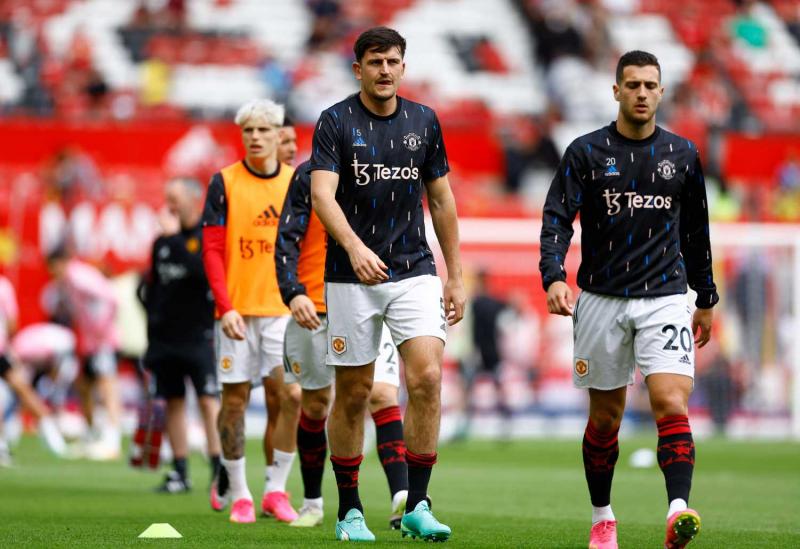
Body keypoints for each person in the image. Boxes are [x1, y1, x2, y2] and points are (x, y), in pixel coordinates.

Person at [539, 50, 718, 549]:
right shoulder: (586, 153)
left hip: (664, 296)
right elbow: (556, 219)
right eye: (633, 85)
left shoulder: (683, 155)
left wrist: (706, 296)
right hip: (600, 298)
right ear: (616, 91)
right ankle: (603, 517)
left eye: (650, 86)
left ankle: (678, 509)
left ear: (661, 92)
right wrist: (553, 276)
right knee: (605, 418)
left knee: (669, 400)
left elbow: (696, 233)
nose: (641, 93)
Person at [309, 26, 466, 542]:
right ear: (359, 69)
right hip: (349, 276)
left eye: (392, 61)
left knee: (426, 379)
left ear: (403, 67)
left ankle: (418, 502)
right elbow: (322, 196)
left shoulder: (424, 121)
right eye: (374, 62)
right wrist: (354, 248)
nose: (384, 70)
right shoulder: (334, 122)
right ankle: (349, 509)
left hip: (414, 271)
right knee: (353, 393)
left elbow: (441, 200)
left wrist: (455, 275)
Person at [276, 159, 410, 529]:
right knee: (316, 404)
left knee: (381, 393)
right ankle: (313, 502)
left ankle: (403, 498)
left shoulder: (385, 165)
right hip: (316, 305)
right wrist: (293, 292)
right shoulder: (309, 175)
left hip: (370, 299)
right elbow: (286, 236)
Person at [201, 98, 299, 524]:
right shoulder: (223, 182)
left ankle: (275, 489)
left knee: (289, 396)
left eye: (263, 131)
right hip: (237, 312)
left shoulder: (297, 184)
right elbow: (212, 249)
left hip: (283, 310)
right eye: (248, 131)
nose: (256, 138)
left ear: (280, 135)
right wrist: (225, 307)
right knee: (235, 401)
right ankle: (239, 492)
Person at [140, 177, 223, 499]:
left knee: (207, 399)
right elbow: (151, 287)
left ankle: (219, 468)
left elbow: (203, 273)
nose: (168, 205)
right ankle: (180, 470)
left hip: (199, 334)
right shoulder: (160, 242)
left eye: (174, 198)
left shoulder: (206, 235)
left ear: (193, 199)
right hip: (165, 339)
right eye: (166, 198)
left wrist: (175, 239)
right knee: (172, 401)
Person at [259, 115, 301, 516]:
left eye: (293, 141)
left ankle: (278, 487)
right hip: (258, 306)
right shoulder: (255, 189)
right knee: (265, 400)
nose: (289, 147)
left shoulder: (308, 185)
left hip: (294, 306)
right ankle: (234, 473)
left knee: (290, 397)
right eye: (282, 140)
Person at [46, 247, 122, 461]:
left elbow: (111, 298)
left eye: (53, 268)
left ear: (60, 263)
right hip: (91, 342)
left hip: (104, 340)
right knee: (84, 385)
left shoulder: (79, 276)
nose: (52, 273)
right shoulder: (69, 281)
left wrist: (102, 328)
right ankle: (91, 434)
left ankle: (112, 439)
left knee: (107, 385)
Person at [0, 282, 68, 462]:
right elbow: (12, 323)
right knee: (23, 390)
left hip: (4, 351)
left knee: (22, 390)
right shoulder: (4, 286)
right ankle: (51, 435)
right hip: (2, 349)